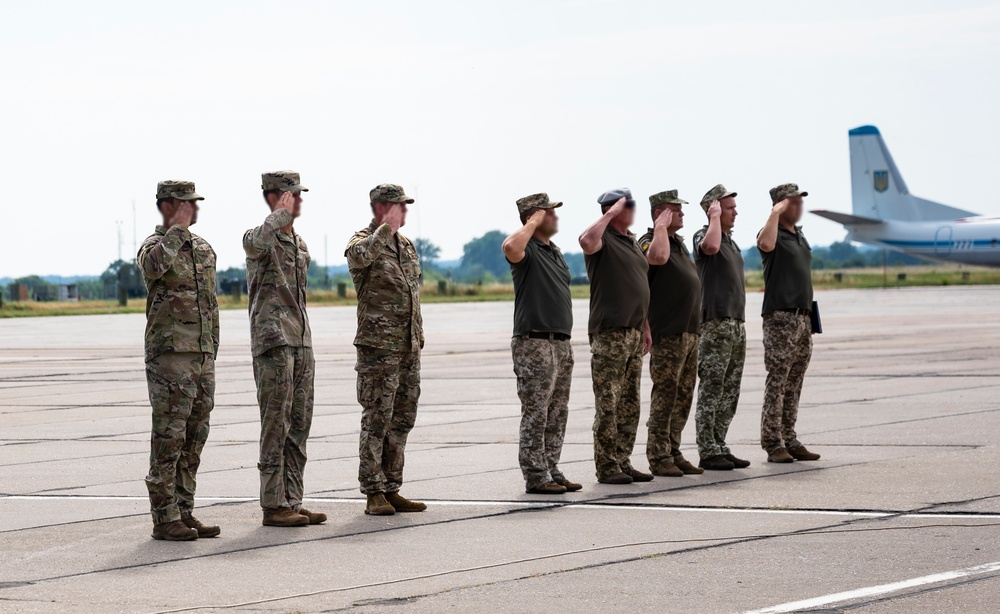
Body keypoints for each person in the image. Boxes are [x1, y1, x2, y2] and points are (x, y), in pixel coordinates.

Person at [138, 180, 220, 541]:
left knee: (194, 436)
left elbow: (211, 303)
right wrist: (176, 231)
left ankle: (185, 510)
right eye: (187, 203)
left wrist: (212, 347)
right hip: (170, 357)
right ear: (168, 205)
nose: (195, 208)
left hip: (201, 356)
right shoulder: (154, 246)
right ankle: (164, 516)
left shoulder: (203, 248)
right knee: (168, 438)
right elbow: (154, 268)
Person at [244, 171, 326, 527]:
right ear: (278, 196)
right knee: (275, 423)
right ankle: (273, 503)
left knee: (299, 424)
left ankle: (292, 498)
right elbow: (257, 244)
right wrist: (278, 214)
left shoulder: (299, 243)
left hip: (300, 339)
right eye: (294, 194)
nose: (300, 200)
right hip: (274, 340)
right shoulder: (258, 237)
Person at [346, 184, 427, 516]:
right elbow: (360, 258)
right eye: (399, 206)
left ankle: (392, 487)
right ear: (382, 208)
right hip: (378, 347)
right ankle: (373, 491)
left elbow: (411, 291)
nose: (405, 211)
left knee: (403, 418)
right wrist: (384, 229)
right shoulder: (361, 241)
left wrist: (418, 332)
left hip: (407, 345)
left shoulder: (405, 245)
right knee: (377, 417)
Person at [502, 193, 581, 495]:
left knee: (558, 410)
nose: (556, 217)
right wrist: (533, 222)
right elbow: (510, 247)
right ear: (534, 216)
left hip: (560, 341)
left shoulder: (554, 250)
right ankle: (535, 474)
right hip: (534, 342)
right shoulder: (527, 249)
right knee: (536, 411)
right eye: (550, 213)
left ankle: (552, 467)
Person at [578, 188, 654, 485]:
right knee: (608, 403)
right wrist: (609, 214)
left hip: (634, 329)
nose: (633, 210)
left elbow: (638, 286)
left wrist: (645, 325)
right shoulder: (602, 238)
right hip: (610, 331)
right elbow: (585, 241)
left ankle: (623, 459)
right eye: (628, 205)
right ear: (612, 208)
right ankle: (607, 465)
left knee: (629, 402)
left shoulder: (631, 241)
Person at [639, 190, 703, 478]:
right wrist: (660, 227)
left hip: (689, 330)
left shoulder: (678, 243)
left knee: (683, 395)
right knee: (665, 394)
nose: (682, 214)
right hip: (668, 331)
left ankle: (674, 450)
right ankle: (658, 455)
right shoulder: (649, 240)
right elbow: (658, 258)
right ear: (661, 213)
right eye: (676, 210)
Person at [756, 183, 822, 463]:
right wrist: (774, 213)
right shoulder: (772, 232)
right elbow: (764, 244)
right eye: (792, 203)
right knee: (778, 380)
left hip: (803, 317)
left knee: (795, 381)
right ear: (781, 204)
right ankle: (773, 442)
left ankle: (790, 437)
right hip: (780, 318)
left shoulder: (799, 235)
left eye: (799, 202)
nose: (798, 207)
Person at [693, 185, 751, 471]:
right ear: (714, 210)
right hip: (715, 322)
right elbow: (710, 248)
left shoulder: (732, 241)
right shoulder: (705, 235)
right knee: (712, 386)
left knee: (730, 388)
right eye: (729, 208)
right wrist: (714, 217)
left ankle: (720, 443)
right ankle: (707, 448)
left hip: (735, 322)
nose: (735, 212)